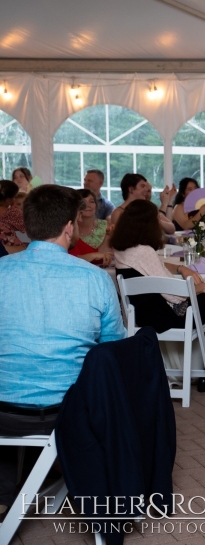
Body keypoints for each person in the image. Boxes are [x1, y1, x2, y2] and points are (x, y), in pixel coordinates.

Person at [0, 184, 126, 431]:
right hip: (72, 408)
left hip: (3, 408)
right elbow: (112, 350)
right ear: (69, 227)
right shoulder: (96, 278)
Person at [111, 200, 205, 391]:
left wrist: (181, 268)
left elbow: (158, 267)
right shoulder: (144, 251)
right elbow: (174, 295)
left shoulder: (122, 249)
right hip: (165, 316)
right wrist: (200, 288)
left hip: (142, 314)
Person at [110, 173, 175, 235]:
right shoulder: (118, 212)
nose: (146, 189)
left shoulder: (148, 209)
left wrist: (158, 221)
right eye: (142, 186)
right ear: (131, 189)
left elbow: (172, 228)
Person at [68, 188, 113, 266]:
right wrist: (93, 255)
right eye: (83, 202)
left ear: (96, 205)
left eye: (91, 201)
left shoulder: (109, 228)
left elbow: (110, 259)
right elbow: (67, 259)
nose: (88, 205)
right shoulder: (68, 229)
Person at [0, 180, 26, 252]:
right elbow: (27, 229)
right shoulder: (14, 213)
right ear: (8, 200)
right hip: (11, 250)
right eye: (14, 197)